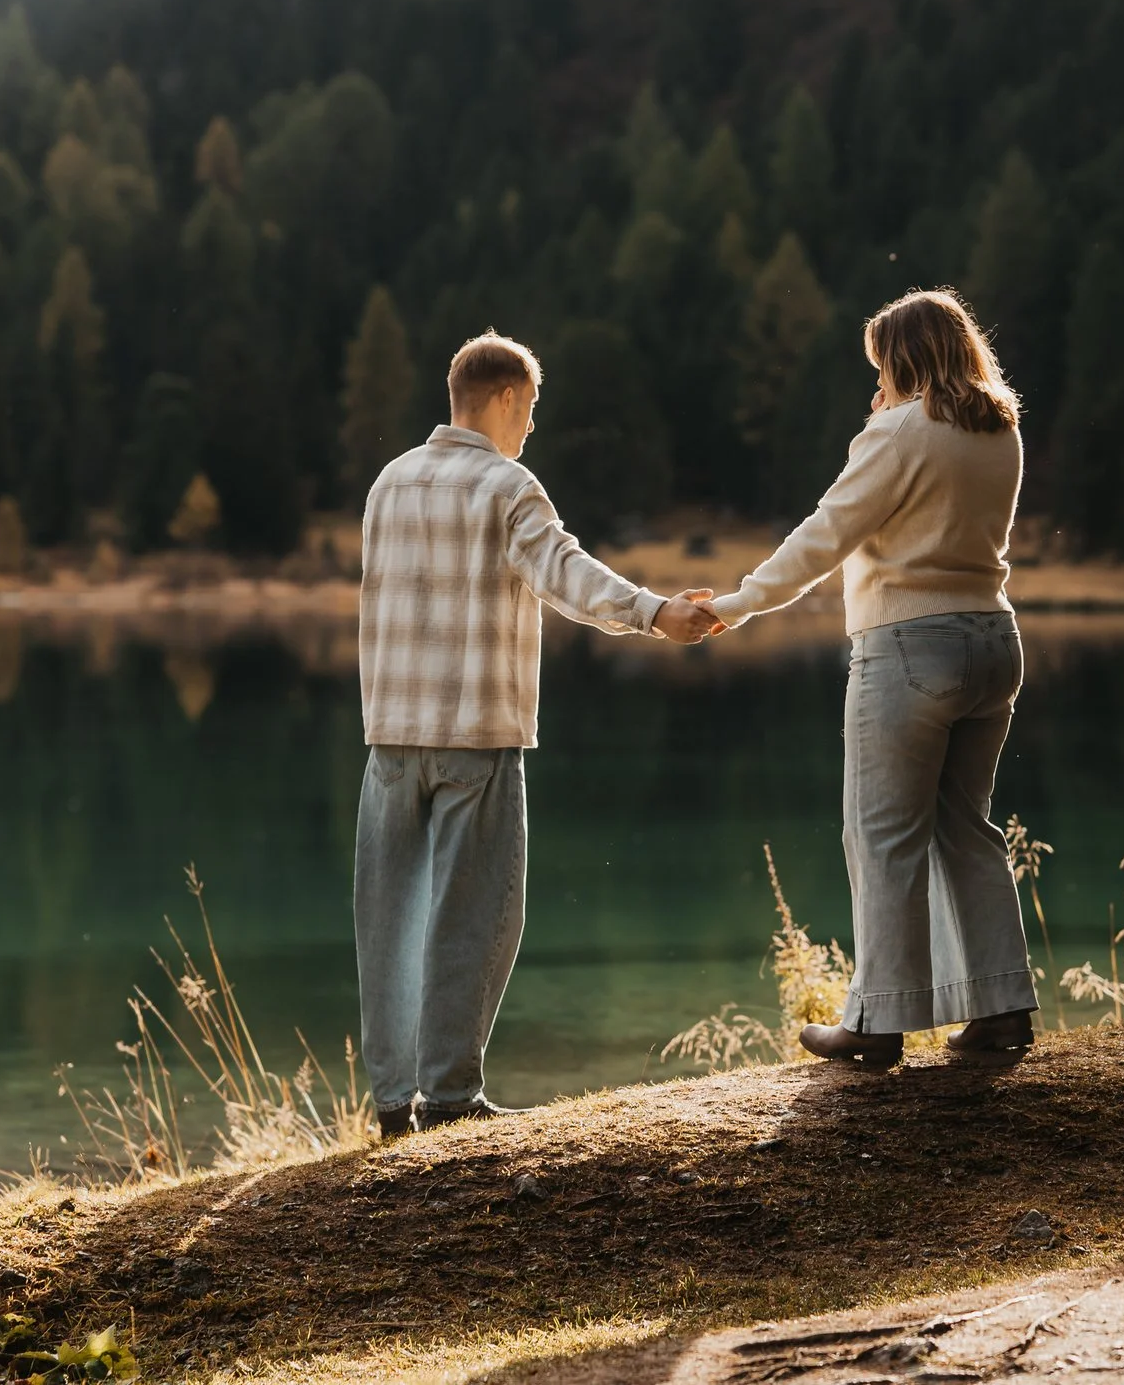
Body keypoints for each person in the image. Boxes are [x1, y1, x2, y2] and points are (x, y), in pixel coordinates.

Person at [357, 329, 717, 1137]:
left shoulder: (389, 481)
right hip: (476, 728)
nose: (532, 424)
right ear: (507, 397)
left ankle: (392, 1100)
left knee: (388, 921)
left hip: (390, 737)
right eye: (531, 407)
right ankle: (449, 1094)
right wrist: (654, 612)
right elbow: (565, 573)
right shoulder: (507, 484)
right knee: (479, 913)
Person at [697, 290, 1035, 1065]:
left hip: (910, 646)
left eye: (882, 364)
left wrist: (737, 604)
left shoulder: (898, 431)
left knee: (881, 833)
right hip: (994, 640)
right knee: (966, 826)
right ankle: (1001, 1008)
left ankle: (877, 1022)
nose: (875, 380)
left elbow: (826, 534)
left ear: (906, 358)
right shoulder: (1000, 429)